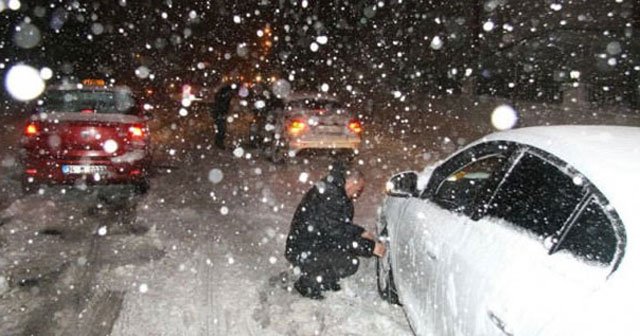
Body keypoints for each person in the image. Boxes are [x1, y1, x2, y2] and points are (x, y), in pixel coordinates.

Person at [285, 162, 386, 299]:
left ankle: (322, 279)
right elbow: (336, 234)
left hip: (312, 242)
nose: (360, 192)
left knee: (344, 254)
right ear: (352, 183)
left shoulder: (337, 191)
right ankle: (308, 283)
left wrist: (359, 232)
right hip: (304, 248)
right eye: (360, 188)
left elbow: (338, 225)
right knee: (349, 262)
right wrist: (369, 247)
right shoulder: (331, 196)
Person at [211, 84, 235, 149]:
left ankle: (219, 142)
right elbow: (221, 106)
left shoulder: (223, 96)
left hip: (219, 114)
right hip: (219, 114)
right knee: (221, 129)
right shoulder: (223, 97)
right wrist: (222, 113)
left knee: (221, 129)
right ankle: (219, 143)